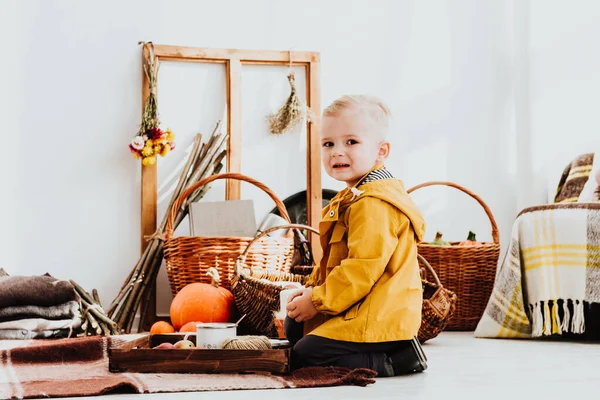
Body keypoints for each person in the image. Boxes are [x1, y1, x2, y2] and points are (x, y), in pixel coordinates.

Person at [285, 94, 428, 377]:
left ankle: (396, 359)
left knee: (304, 354)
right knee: (294, 326)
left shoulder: (373, 204)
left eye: (351, 142)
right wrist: (312, 290)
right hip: (357, 305)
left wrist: (317, 301)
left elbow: (360, 268)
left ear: (381, 151)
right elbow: (335, 262)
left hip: (381, 314)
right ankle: (371, 350)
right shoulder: (353, 197)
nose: (337, 152)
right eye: (329, 144)